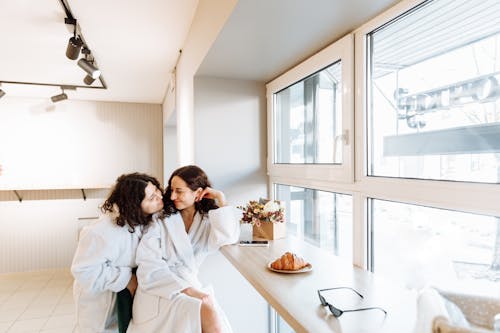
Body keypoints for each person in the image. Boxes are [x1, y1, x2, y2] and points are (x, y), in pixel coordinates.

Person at [128, 165, 240, 333]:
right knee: (207, 310)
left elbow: (228, 238)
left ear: (198, 193)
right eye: (171, 190)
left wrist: (221, 198)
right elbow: (148, 265)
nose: (172, 196)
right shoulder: (160, 218)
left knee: (209, 312)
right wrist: (187, 290)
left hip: (190, 287)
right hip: (159, 290)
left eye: (179, 191)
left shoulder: (207, 220)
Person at [71, 172, 164, 333]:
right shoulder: (101, 232)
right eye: (151, 198)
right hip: (100, 302)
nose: (159, 197)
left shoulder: (144, 220)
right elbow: (83, 271)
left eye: (157, 191)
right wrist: (126, 278)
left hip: (127, 297)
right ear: (134, 204)